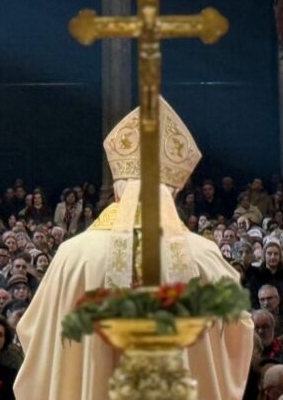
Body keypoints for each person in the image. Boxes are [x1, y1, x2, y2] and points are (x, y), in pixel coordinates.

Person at [14, 98, 253, 400]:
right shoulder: (204, 256)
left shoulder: (73, 255)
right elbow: (238, 333)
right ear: (175, 192)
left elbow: (36, 334)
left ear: (116, 190)